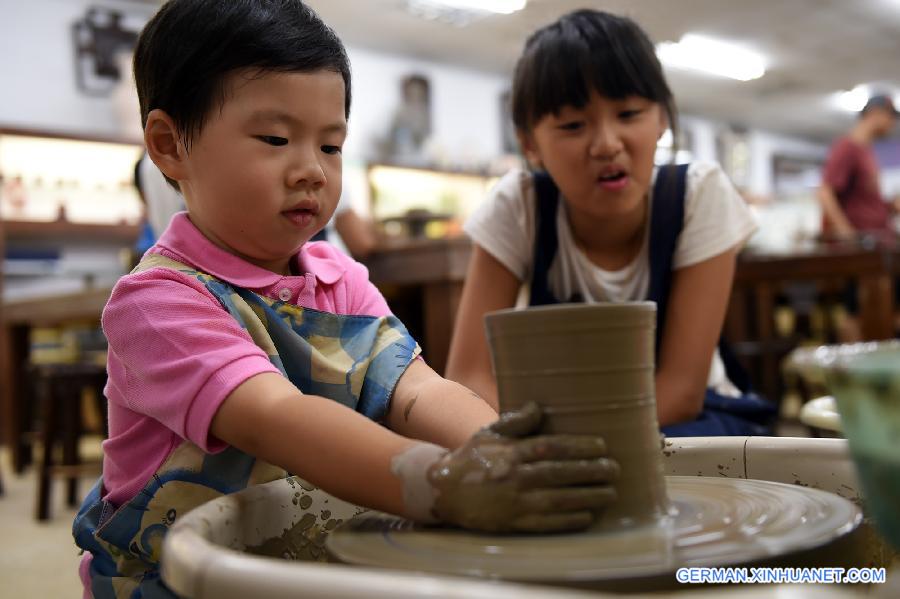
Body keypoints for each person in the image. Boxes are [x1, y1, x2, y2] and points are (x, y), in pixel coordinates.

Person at [72, 3, 619, 597]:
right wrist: (438, 482)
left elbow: (417, 391)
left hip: (300, 555)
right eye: (276, 139)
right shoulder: (158, 302)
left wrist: (499, 453)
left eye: (331, 147)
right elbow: (277, 418)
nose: (311, 170)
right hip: (177, 576)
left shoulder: (339, 277)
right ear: (170, 144)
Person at [446, 10, 774, 437]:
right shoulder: (520, 204)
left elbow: (680, 391)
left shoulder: (697, 195)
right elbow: (468, 378)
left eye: (629, 113)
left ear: (661, 120)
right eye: (573, 125)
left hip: (688, 419)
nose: (606, 144)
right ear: (530, 144)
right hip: (559, 422)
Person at [817, 94, 900, 341]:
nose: (893, 125)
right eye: (892, 118)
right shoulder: (848, 147)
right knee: (856, 312)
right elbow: (825, 191)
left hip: (879, 244)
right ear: (877, 114)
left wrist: (890, 207)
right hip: (862, 249)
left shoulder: (866, 151)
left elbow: (865, 201)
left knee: (886, 307)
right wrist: (847, 233)